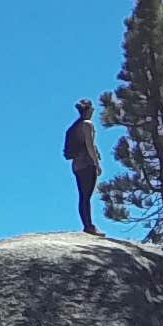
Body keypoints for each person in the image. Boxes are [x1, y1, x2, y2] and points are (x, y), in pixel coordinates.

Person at [63, 99, 102, 234]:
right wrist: (97, 163)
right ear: (89, 109)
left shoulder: (75, 126)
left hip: (77, 164)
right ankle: (89, 226)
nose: (94, 111)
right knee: (86, 196)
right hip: (87, 163)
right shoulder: (87, 124)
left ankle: (87, 224)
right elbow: (90, 145)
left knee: (83, 196)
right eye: (92, 108)